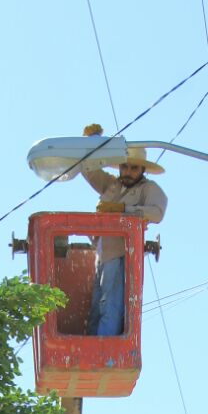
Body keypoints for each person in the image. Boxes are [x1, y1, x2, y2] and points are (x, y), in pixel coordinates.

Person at [81, 123, 168, 336]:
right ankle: (95, 347)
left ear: (142, 170)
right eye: (125, 167)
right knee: (97, 307)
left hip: (121, 255)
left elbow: (157, 213)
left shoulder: (148, 189)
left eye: (133, 168)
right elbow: (87, 169)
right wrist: (90, 142)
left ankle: (104, 348)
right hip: (102, 254)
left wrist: (124, 210)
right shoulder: (112, 185)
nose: (128, 172)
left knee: (110, 306)